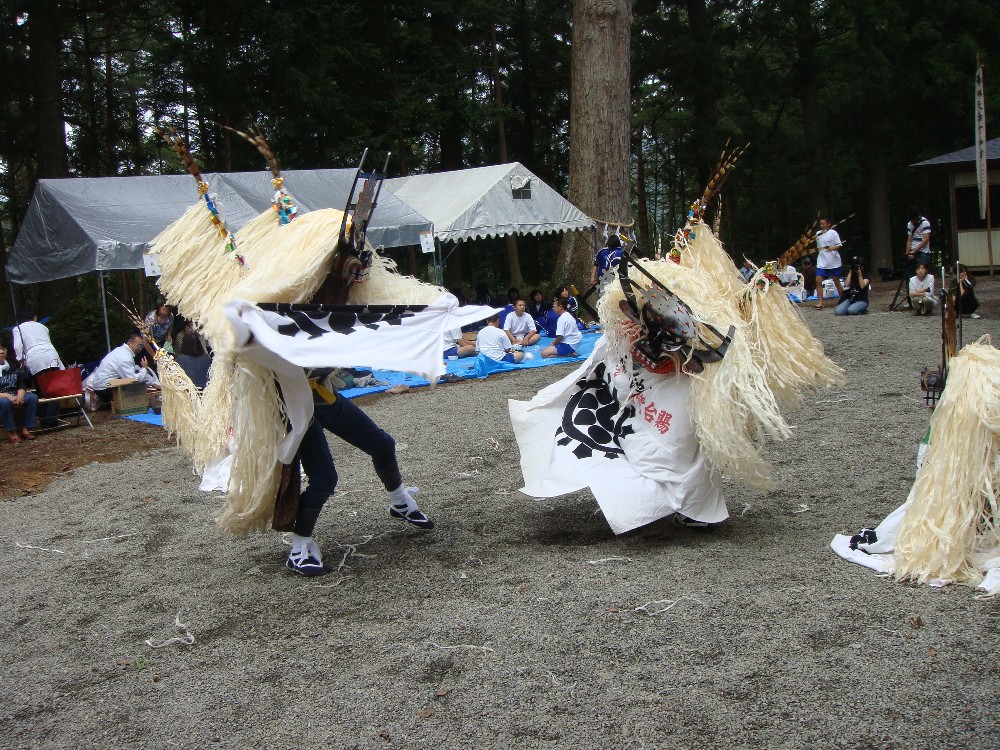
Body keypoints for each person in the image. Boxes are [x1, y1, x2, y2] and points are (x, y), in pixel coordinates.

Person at [288, 375, 435, 576]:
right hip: (296, 408)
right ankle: (299, 548)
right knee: (324, 479)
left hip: (325, 396)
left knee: (383, 445)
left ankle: (400, 503)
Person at [86, 331, 160, 403]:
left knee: (138, 371)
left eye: (142, 346)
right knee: (136, 382)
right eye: (139, 346)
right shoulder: (125, 357)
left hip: (103, 385)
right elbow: (133, 379)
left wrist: (150, 381)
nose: (140, 349)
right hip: (104, 389)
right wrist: (144, 369)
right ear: (130, 342)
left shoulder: (122, 351)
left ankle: (155, 385)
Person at [0, 343, 38, 443]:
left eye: (3, 349)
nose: (1, 352)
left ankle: (25, 428)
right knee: (4, 403)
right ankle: (11, 431)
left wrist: (20, 394)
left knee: (32, 398)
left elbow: (21, 384)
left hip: (14, 393)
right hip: (2, 396)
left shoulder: (13, 366)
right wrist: (8, 396)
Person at [11, 309, 64, 377]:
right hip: (52, 355)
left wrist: (21, 359)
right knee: (56, 381)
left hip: (35, 358)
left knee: (41, 383)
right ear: (33, 317)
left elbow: (17, 346)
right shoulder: (43, 327)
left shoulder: (18, 328)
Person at [813, 217, 844, 309]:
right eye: (821, 224)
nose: (822, 225)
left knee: (836, 280)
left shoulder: (833, 233)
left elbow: (839, 245)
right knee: (818, 279)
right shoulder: (818, 234)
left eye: (823, 224)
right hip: (822, 260)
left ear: (828, 224)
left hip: (833, 260)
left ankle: (843, 299)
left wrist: (832, 248)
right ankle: (820, 302)